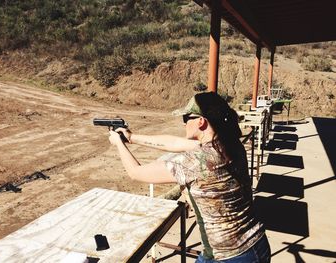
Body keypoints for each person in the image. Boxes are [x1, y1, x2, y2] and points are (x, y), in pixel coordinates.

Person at [108, 91, 271, 263]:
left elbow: (136, 172)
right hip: (254, 244)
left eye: (187, 118)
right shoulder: (229, 144)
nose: (184, 123)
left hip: (230, 256)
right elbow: (174, 143)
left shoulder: (196, 161)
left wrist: (118, 143)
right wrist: (131, 137)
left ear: (201, 122)